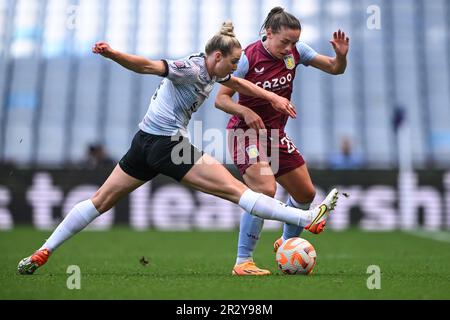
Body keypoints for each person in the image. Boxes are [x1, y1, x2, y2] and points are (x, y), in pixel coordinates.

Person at [17, 21, 338, 275]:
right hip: (168, 145)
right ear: (216, 57)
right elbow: (146, 66)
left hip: (142, 142)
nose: (236, 68)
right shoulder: (191, 68)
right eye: (234, 62)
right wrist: (113, 54)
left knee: (99, 201)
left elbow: (240, 84)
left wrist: (272, 97)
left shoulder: (215, 71)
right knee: (240, 193)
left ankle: (43, 249)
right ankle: (307, 217)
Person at [215, 8, 349, 276]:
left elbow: (335, 69)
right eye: (284, 42)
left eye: (294, 43)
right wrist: (246, 110)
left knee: (305, 194)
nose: (289, 49)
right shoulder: (247, 58)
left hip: (275, 135)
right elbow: (221, 99)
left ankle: (287, 244)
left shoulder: (297, 52)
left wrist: (341, 57)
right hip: (245, 133)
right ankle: (243, 262)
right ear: (268, 33)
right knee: (265, 189)